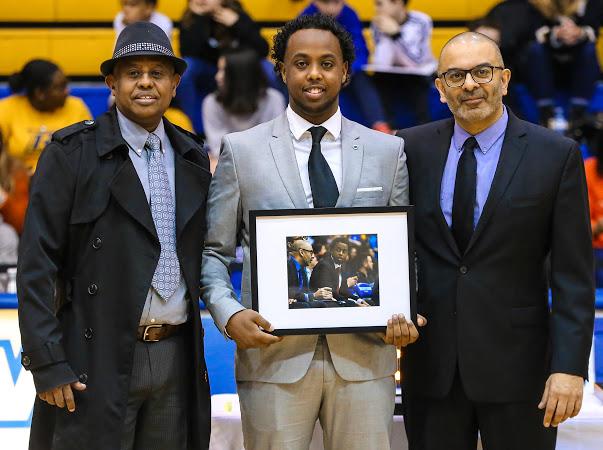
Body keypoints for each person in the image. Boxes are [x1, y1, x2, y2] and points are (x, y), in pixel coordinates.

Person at [200, 14, 423, 450]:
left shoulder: (387, 151)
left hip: (366, 356)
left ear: (345, 71)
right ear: (282, 70)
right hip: (273, 359)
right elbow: (213, 252)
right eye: (301, 62)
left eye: (327, 62)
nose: (314, 73)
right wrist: (229, 313)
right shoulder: (241, 151)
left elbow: (403, 251)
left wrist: (406, 307)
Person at [17, 22, 211, 450]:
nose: (145, 82)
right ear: (111, 82)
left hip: (177, 355)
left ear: (175, 84)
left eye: (157, 73)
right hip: (95, 358)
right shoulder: (69, 153)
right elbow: (36, 265)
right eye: (132, 72)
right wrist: (47, 363)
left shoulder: (193, 155)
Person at [397, 32, 595, 450]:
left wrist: (569, 368)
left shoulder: (555, 155)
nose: (470, 84)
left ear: (504, 79)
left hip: (523, 371)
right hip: (432, 368)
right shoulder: (407, 148)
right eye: (455, 75)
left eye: (482, 72)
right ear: (440, 88)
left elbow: (573, 275)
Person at [0, 59, 91, 234]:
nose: (67, 91)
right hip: (19, 186)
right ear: (40, 93)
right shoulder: (7, 109)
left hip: (66, 182)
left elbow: (88, 150)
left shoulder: (76, 107)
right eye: (60, 87)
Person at [177, 0, 270, 134]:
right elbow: (188, 52)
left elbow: (262, 50)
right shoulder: (191, 18)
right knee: (187, 69)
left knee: (267, 68)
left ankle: (280, 126)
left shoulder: (236, 13)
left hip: (238, 70)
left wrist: (236, 23)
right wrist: (199, 18)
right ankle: (194, 132)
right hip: (209, 72)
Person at [301, 0, 391, 133]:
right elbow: (301, 52)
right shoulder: (306, 17)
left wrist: (349, 71)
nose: (331, 8)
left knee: (362, 79)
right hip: (317, 69)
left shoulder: (349, 14)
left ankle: (379, 123)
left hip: (346, 69)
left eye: (336, 3)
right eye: (326, 3)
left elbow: (360, 50)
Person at [526, 0, 603, 128]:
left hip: (579, 66)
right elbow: (534, 32)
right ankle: (546, 112)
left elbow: (593, 31)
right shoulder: (538, 4)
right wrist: (556, 34)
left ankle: (578, 114)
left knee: (589, 49)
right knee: (536, 49)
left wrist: (579, 33)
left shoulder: (591, 4)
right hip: (548, 67)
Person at [202, 48, 285, 161]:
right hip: (230, 166)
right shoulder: (211, 103)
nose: (217, 77)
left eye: (223, 71)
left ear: (241, 74)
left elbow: (277, 143)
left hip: (268, 163)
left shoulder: (274, 99)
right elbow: (219, 149)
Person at [371, 0, 436, 126]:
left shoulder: (421, 21)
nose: (376, 9)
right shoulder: (378, 24)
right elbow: (381, 63)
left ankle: (424, 128)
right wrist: (386, 34)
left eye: (380, 4)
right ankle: (386, 129)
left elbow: (417, 62)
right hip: (393, 72)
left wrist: (396, 34)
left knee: (416, 81)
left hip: (421, 71)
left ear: (398, 3)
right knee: (379, 78)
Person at [309, 237, 358, 304]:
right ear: (331, 250)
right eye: (338, 250)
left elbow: (342, 291)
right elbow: (329, 293)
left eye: (344, 251)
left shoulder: (341, 266)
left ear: (347, 254)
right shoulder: (324, 265)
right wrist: (353, 303)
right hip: (321, 302)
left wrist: (358, 300)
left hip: (334, 300)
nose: (341, 253)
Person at [287, 238, 334, 307]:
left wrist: (322, 294)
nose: (313, 256)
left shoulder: (302, 268)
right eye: (311, 252)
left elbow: (305, 293)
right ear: (302, 252)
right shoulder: (287, 266)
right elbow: (290, 293)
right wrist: (313, 295)